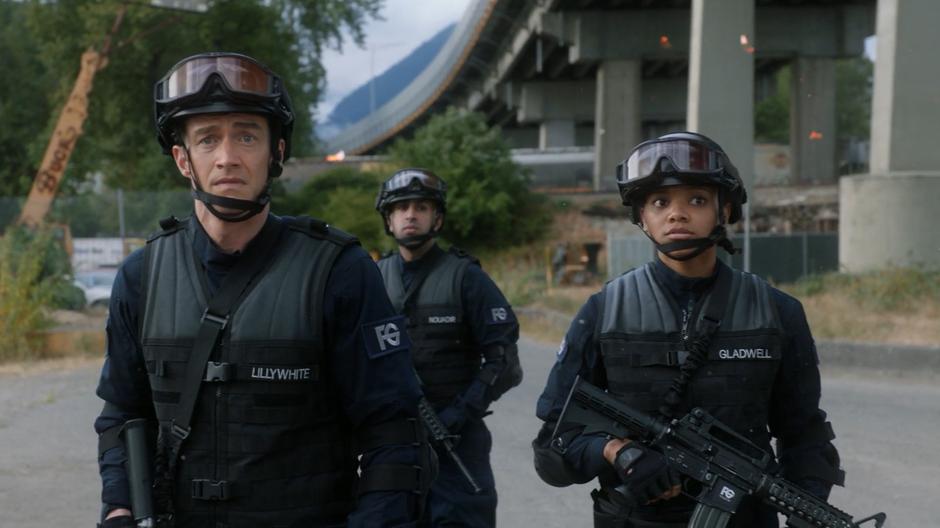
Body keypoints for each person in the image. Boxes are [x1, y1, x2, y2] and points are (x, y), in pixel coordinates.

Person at [94, 52, 433, 527]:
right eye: (207, 139)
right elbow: (122, 413)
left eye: (247, 136)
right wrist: (119, 506)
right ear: (182, 159)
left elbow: (392, 432)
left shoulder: (340, 271)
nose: (227, 157)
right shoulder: (142, 276)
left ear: (275, 152)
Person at [531, 132, 844, 527]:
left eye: (696, 200)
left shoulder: (777, 312)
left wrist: (809, 510)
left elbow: (805, 437)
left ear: (725, 210)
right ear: (642, 216)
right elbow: (552, 453)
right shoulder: (603, 312)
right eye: (660, 202)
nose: (676, 214)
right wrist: (617, 452)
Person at [374, 169, 524, 527]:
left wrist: (459, 413)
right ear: (389, 220)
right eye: (402, 208)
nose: (411, 214)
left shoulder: (465, 277)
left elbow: (504, 361)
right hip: (391, 440)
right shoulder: (373, 279)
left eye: (421, 207)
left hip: (456, 439)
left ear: (436, 218)